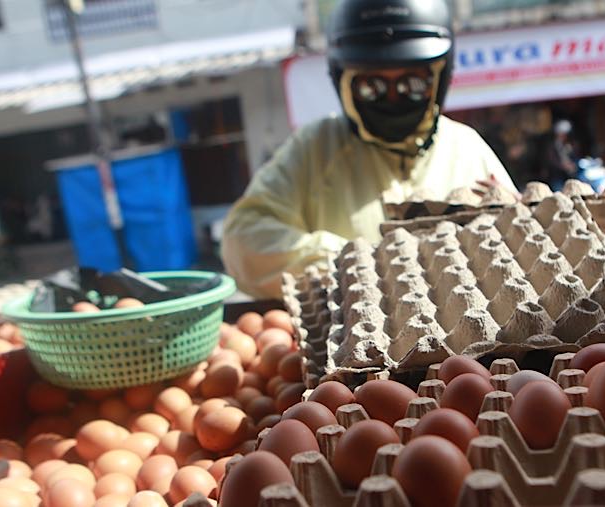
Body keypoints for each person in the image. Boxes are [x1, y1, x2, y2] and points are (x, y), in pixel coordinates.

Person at [220, 0, 517, 298]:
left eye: (413, 84)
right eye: (371, 86)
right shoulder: (315, 149)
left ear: (439, 78)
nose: (393, 99)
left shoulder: (465, 147)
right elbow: (243, 240)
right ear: (343, 81)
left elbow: (517, 242)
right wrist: (352, 261)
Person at [542, 119, 576, 191]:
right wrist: (563, 166)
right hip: (557, 176)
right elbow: (551, 161)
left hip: (569, 175)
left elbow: (574, 157)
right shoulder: (552, 146)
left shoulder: (570, 144)